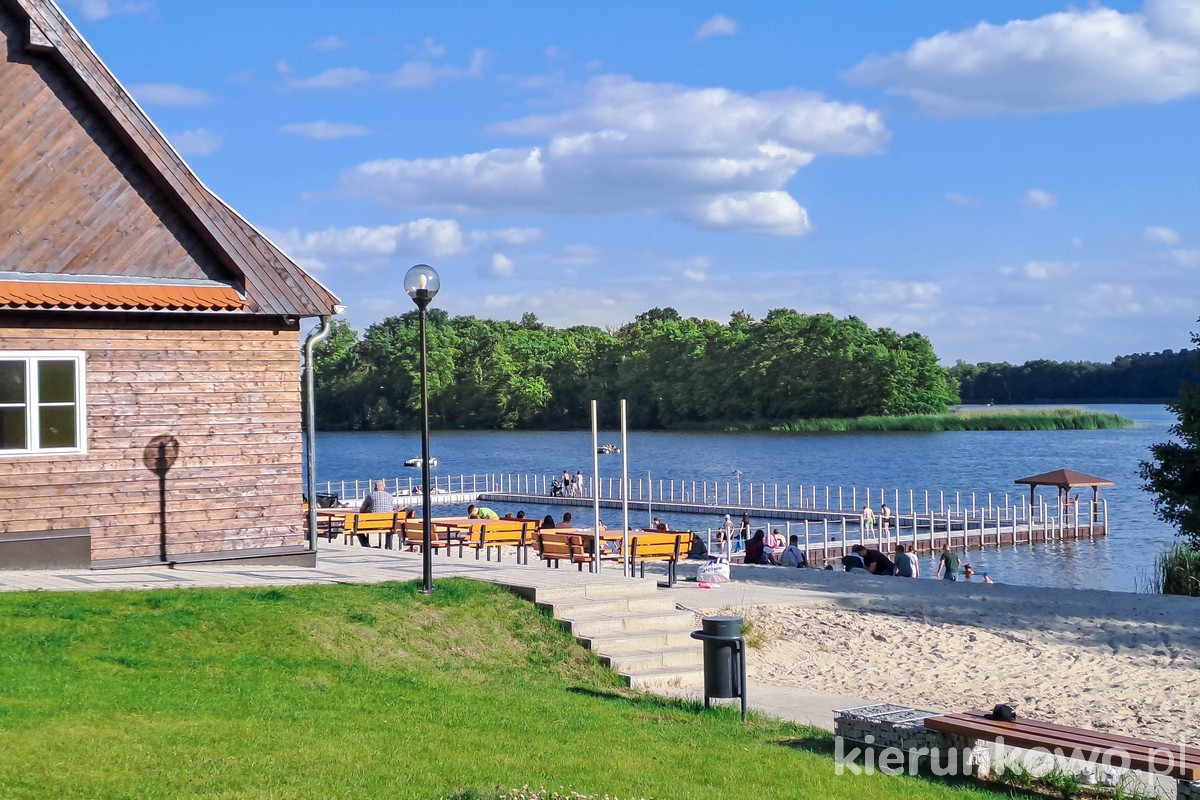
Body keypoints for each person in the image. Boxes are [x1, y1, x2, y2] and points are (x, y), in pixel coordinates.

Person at [358, 480, 394, 547]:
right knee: (390, 529)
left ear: (375, 487)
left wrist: (367, 511)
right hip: (388, 524)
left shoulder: (371, 496)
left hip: (372, 524)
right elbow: (391, 508)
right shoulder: (390, 496)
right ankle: (388, 547)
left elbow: (362, 509)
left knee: (357, 528)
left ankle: (366, 546)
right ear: (384, 487)